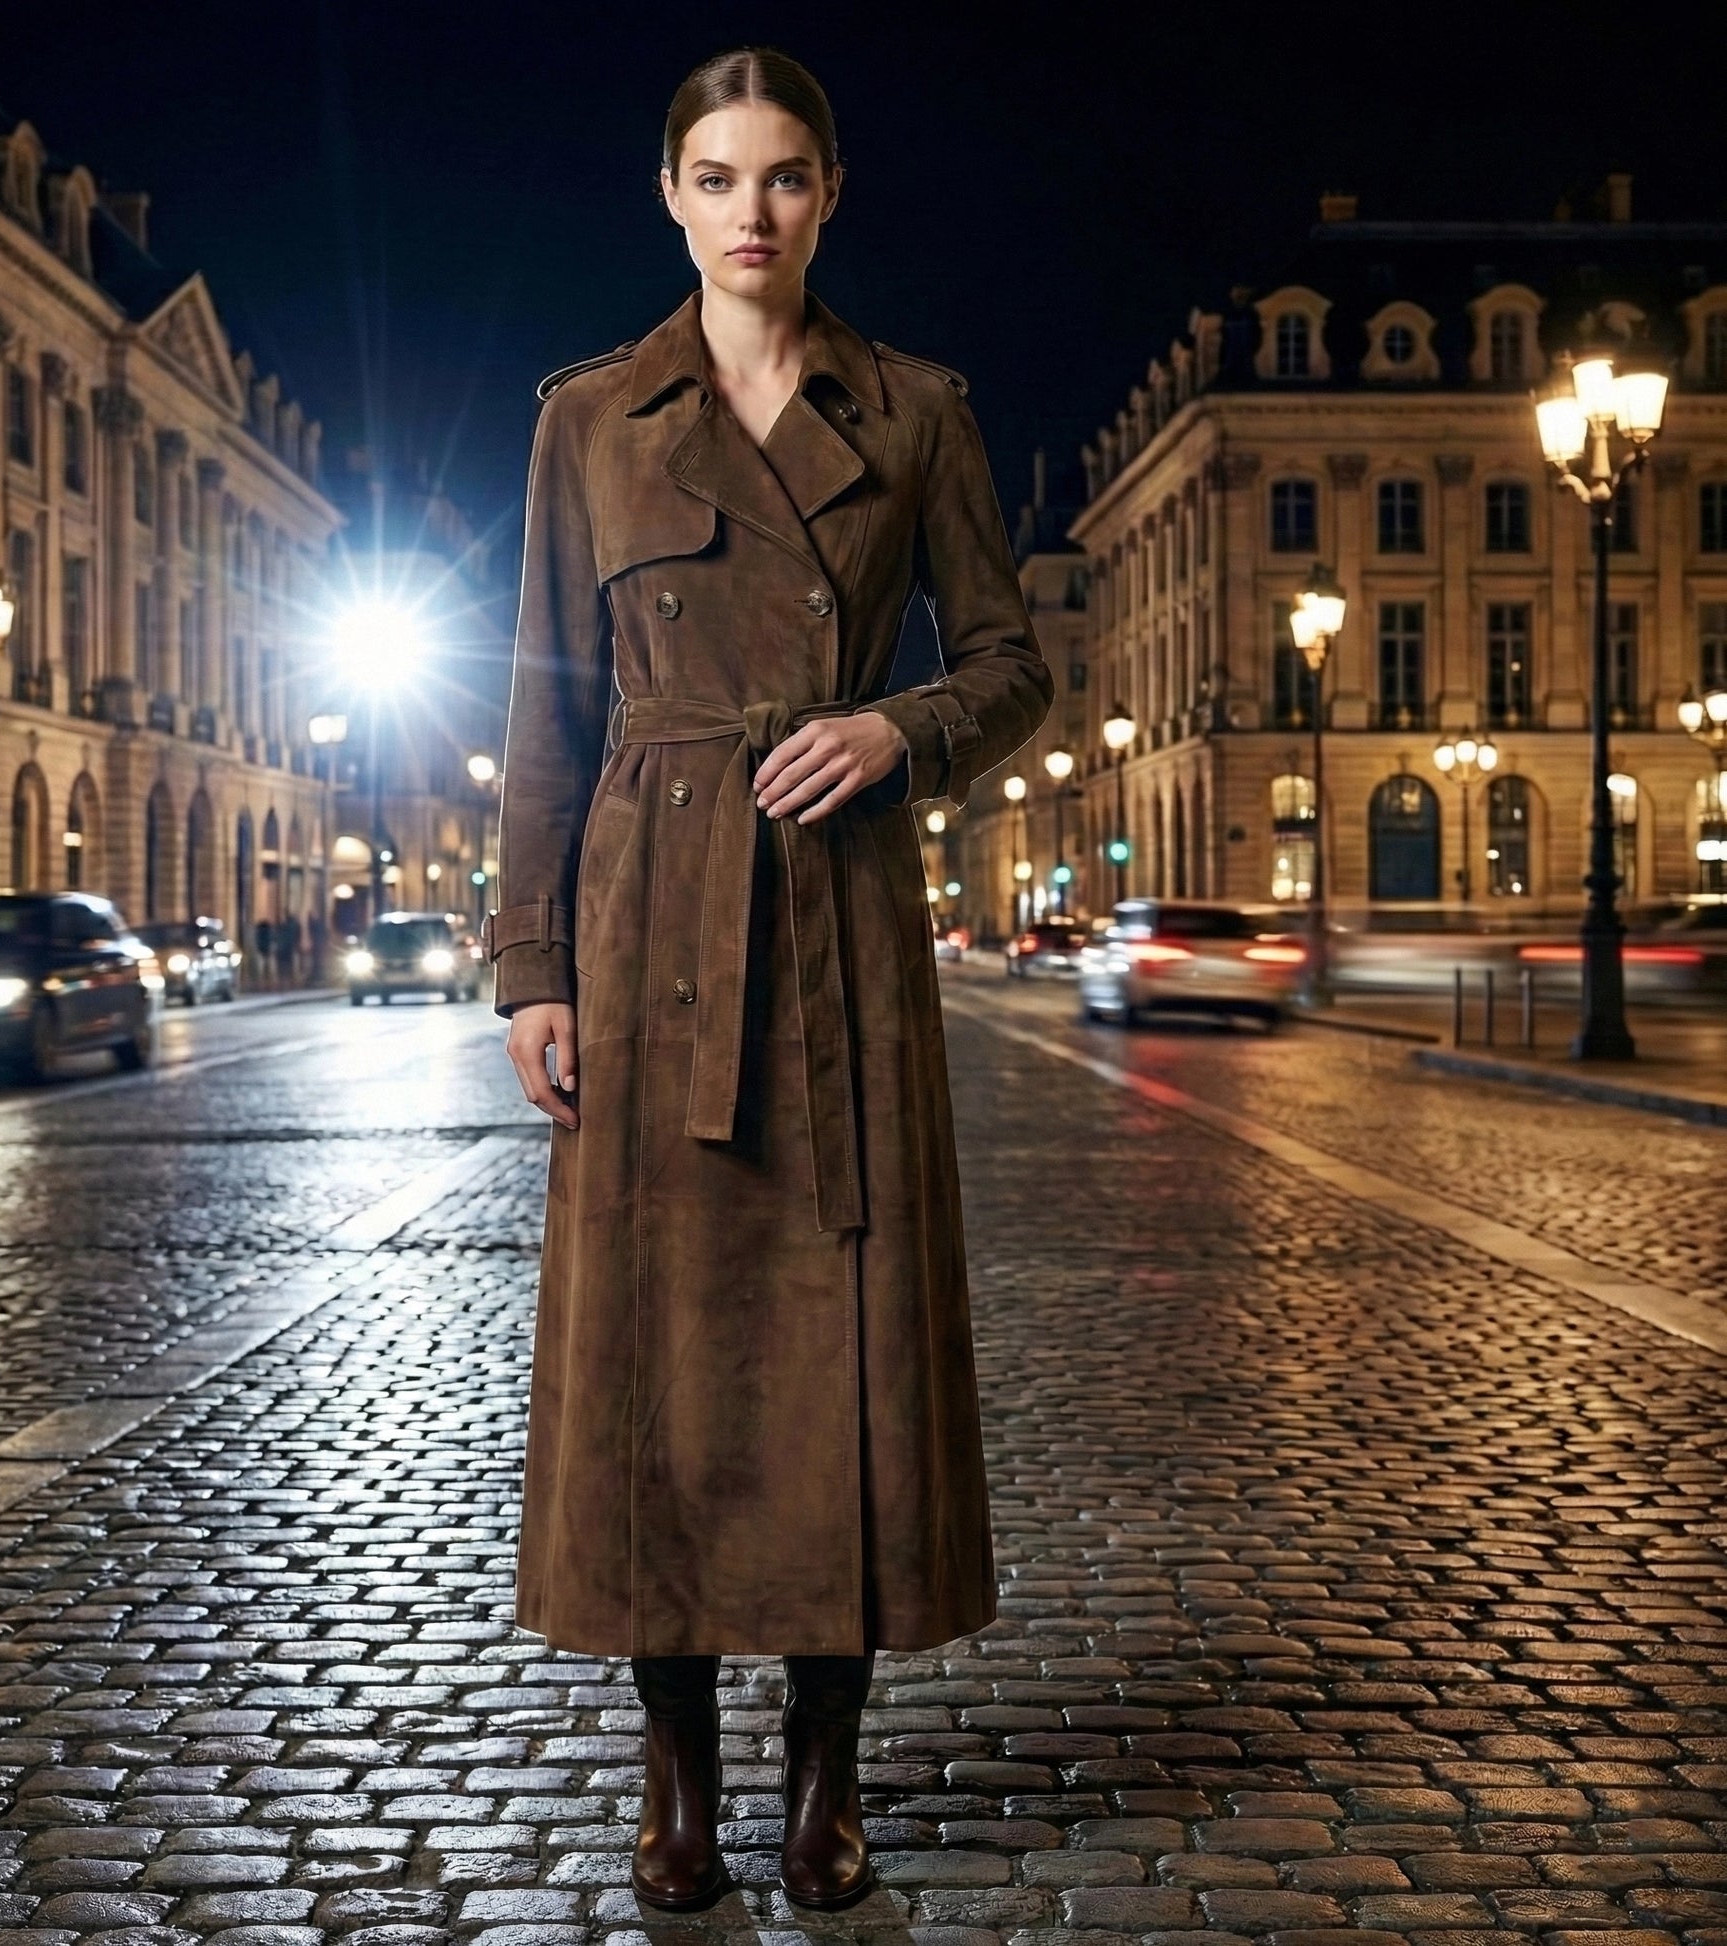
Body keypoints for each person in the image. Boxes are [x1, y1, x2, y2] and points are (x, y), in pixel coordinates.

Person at [486, 47, 1053, 1916]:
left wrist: (897, 730)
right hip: (647, 925)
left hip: (836, 929)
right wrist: (531, 967)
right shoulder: (586, 418)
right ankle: (672, 1776)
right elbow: (544, 717)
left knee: (842, 1364)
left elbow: (1010, 663)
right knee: (656, 1370)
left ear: (830, 195)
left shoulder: (917, 413)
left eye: (787, 177)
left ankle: (828, 1780)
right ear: (669, 193)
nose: (753, 211)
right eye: (718, 176)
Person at [252, 915, 274, 990]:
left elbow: (258, 940)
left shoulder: (259, 930)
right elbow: (271, 939)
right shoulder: (269, 930)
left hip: (261, 950)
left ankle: (261, 983)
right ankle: (268, 983)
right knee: (268, 968)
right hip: (267, 950)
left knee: (261, 968)